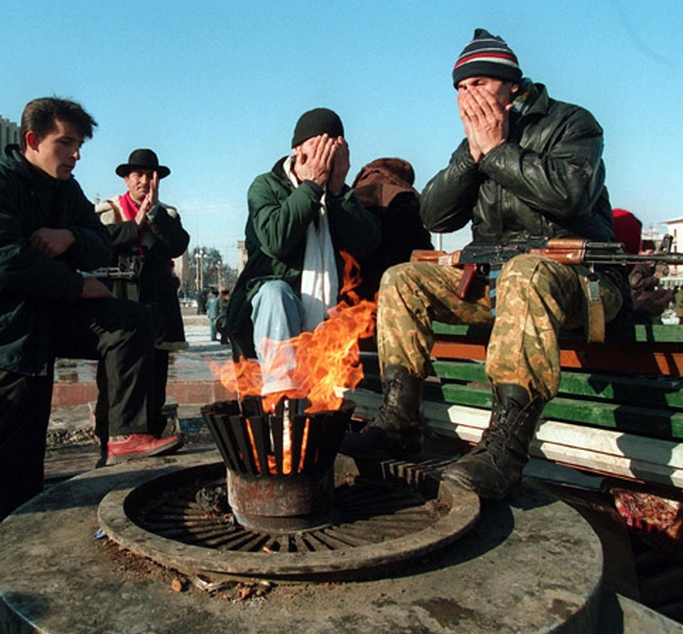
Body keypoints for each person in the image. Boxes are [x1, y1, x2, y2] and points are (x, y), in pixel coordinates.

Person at [343, 29, 628, 502]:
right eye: (459, 88)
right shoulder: (475, 143)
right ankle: (398, 421)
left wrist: (498, 152)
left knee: (525, 270)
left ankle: (506, 450)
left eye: (477, 84)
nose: (466, 97)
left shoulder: (572, 124)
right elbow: (435, 215)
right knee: (402, 278)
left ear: (511, 85)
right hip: (500, 284)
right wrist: (471, 160)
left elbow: (571, 194)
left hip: (581, 281)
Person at [0, 97, 180, 522]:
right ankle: (14, 530)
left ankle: (124, 434)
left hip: (49, 311)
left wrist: (68, 236)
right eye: (67, 143)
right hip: (1, 325)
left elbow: (99, 240)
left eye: (80, 146)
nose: (76, 155)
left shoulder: (67, 190)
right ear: (32, 140)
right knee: (20, 439)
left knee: (134, 321)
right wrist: (75, 284)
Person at [223, 107, 380, 396]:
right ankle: (282, 397)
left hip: (327, 318)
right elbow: (275, 240)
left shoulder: (341, 195)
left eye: (334, 144)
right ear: (297, 149)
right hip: (276, 314)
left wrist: (336, 194)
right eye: (318, 144)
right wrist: (310, 188)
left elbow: (366, 243)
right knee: (274, 292)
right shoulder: (266, 186)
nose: (325, 153)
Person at [94, 148, 190, 442]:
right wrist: (133, 227)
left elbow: (177, 244)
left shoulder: (166, 213)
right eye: (139, 175)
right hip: (120, 299)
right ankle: (109, 432)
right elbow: (97, 245)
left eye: (151, 176)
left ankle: (150, 430)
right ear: (126, 179)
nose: (145, 182)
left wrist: (153, 212)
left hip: (156, 300)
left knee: (156, 370)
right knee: (115, 369)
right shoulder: (108, 211)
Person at [351, 158, 434, 301]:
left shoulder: (350, 197)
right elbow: (423, 253)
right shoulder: (407, 199)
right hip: (396, 295)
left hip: (349, 295)